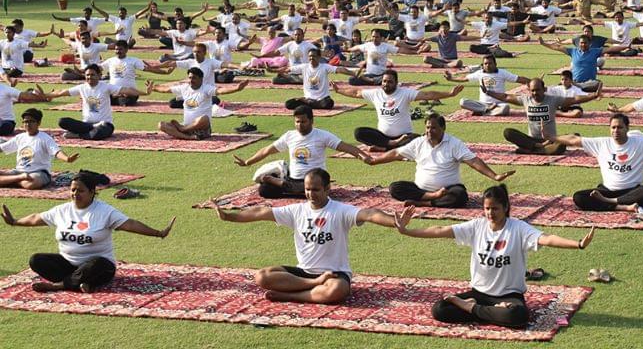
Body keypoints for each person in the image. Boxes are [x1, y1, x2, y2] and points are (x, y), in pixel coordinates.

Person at [393, 185, 594, 329]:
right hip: (479, 293)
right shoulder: (476, 226)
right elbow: (440, 229)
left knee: (518, 315)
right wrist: (407, 231)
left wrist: (577, 244)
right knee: (440, 309)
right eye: (487, 208)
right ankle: (485, 311)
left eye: (495, 208)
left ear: (505, 207)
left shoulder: (518, 228)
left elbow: (546, 238)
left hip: (509, 297)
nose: (490, 213)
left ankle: (471, 309)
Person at [213, 167, 396, 304]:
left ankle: (290, 296)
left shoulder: (340, 211)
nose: (310, 194)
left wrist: (395, 221)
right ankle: (313, 285)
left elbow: (370, 214)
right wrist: (229, 217)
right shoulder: (297, 210)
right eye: (307, 189)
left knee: (337, 290)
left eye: (315, 190)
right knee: (262, 276)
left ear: (327, 189)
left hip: (333, 274)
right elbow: (261, 212)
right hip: (305, 273)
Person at [1, 171, 175, 293]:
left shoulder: (104, 211)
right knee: (36, 260)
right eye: (73, 190)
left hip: (98, 265)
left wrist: (158, 233)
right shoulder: (62, 210)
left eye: (81, 190)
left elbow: (130, 224)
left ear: (93, 192)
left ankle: (59, 286)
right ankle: (81, 284)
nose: (76, 194)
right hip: (68, 264)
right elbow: (36, 218)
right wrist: (15, 222)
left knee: (97, 265)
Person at [368, 113, 515, 207]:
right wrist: (374, 161)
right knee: (395, 188)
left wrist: (494, 175)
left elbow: (474, 161)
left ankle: (425, 203)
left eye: (433, 128)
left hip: (448, 190)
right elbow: (395, 154)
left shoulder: (454, 143)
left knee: (460, 196)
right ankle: (431, 198)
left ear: (443, 128)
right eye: (427, 128)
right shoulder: (419, 142)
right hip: (421, 189)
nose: (429, 131)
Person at [233, 105, 372, 198]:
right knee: (264, 190)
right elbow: (267, 151)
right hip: (294, 179)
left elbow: (346, 147)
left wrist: (364, 156)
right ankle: (288, 186)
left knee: (313, 187)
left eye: (303, 122)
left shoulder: (323, 135)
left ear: (312, 121)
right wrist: (247, 162)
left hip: (315, 180)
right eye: (297, 122)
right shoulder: (289, 135)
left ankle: (289, 187)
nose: (300, 125)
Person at [332, 70, 464, 150]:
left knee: (420, 141)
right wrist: (339, 90)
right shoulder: (376, 93)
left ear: (396, 83)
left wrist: (449, 94)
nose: (386, 84)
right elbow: (356, 93)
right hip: (383, 137)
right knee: (359, 132)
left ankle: (385, 147)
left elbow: (428, 95)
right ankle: (390, 144)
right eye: (384, 81)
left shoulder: (405, 93)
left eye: (389, 82)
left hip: (405, 136)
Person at [481, 77, 601, 155]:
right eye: (532, 90)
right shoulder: (525, 99)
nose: (535, 93)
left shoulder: (553, 100)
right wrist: (488, 92)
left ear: (544, 89)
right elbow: (505, 97)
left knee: (573, 137)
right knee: (508, 132)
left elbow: (574, 99)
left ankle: (530, 150)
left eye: (537, 90)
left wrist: (593, 96)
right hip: (531, 140)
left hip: (551, 140)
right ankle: (537, 148)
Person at [37, 64, 143, 140]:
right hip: (87, 124)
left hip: (104, 125)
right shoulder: (82, 87)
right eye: (87, 75)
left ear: (99, 75)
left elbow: (126, 90)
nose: (89, 77)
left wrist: (145, 93)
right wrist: (44, 95)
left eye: (92, 75)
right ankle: (86, 131)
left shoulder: (106, 86)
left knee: (98, 133)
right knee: (62, 121)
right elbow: (61, 92)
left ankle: (78, 135)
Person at [144, 69, 247, 140]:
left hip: (202, 128)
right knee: (161, 125)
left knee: (204, 118)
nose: (191, 80)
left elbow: (221, 90)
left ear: (201, 79)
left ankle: (182, 130)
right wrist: (153, 88)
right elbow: (165, 89)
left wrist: (237, 88)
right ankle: (187, 136)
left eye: (194, 78)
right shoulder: (184, 87)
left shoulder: (206, 88)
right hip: (186, 126)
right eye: (189, 78)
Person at [0, 109, 78, 189]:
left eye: (31, 121)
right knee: (26, 182)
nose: (28, 124)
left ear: (39, 123)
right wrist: (21, 176)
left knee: (32, 183)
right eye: (25, 122)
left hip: (39, 173)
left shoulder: (45, 138)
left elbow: (57, 152)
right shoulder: (20, 137)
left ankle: (8, 181)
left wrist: (67, 158)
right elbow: (2, 148)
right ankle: (20, 178)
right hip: (19, 172)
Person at [445, 54, 529, 117]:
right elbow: (464, 78)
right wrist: (451, 79)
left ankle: (483, 112)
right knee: (463, 102)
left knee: (505, 108)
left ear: (495, 64)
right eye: (485, 64)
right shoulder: (480, 73)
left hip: (498, 105)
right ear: (483, 65)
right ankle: (487, 111)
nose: (488, 65)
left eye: (490, 63)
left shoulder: (502, 73)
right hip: (483, 104)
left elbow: (518, 79)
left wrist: (532, 82)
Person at [278, 47, 357, 111]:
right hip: (308, 99)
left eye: (314, 56)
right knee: (288, 104)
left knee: (329, 103)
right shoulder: (304, 66)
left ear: (319, 57)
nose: (311, 58)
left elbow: (340, 69)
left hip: (322, 99)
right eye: (310, 56)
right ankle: (310, 103)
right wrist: (272, 70)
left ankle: (309, 104)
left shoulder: (324, 67)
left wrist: (353, 73)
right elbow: (287, 69)